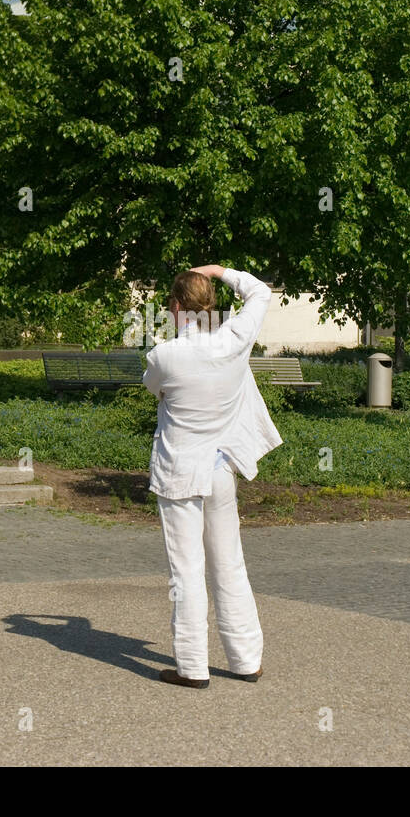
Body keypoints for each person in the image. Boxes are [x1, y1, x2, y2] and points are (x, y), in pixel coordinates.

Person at [142, 264, 283, 688]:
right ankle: (246, 661)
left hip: (180, 474)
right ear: (210, 305)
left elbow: (155, 387)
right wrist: (220, 270)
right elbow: (260, 292)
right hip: (222, 470)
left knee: (186, 572)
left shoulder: (164, 356)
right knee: (229, 565)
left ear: (175, 306)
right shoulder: (235, 339)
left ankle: (192, 668)